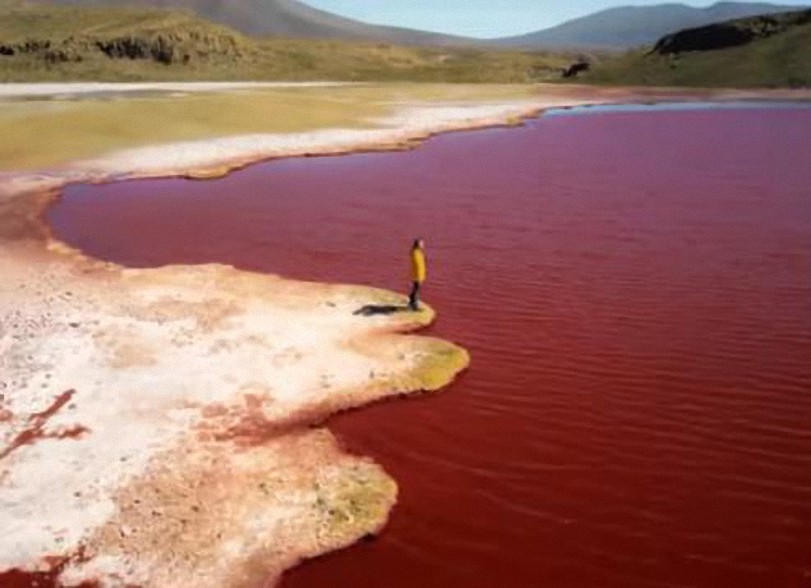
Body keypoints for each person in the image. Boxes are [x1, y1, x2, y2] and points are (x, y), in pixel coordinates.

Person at [408, 238, 426, 311]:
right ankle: (414, 306)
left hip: (419, 275)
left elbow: (421, 264)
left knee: (416, 289)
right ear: (418, 245)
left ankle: (412, 300)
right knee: (417, 290)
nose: (423, 245)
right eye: (421, 244)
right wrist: (418, 277)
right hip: (417, 275)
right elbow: (418, 265)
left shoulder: (417, 252)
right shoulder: (415, 253)